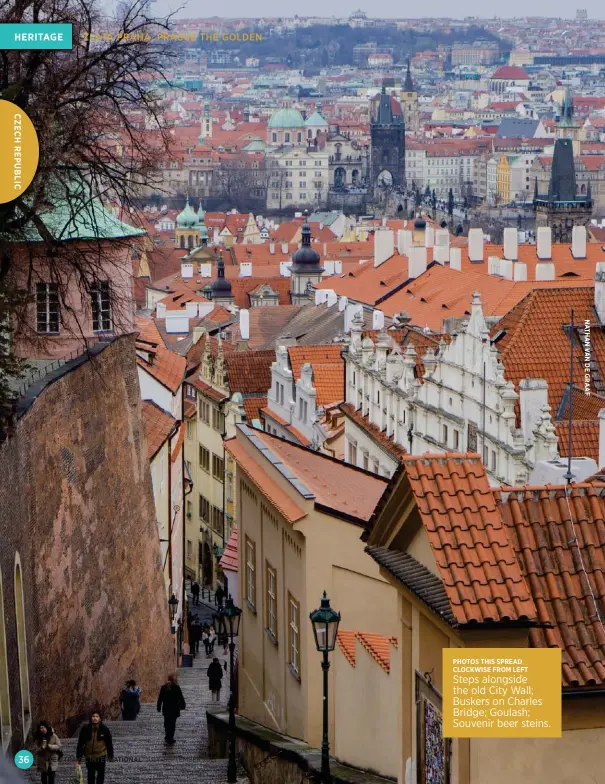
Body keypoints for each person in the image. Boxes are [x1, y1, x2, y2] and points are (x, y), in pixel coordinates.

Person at [76, 711, 114, 784]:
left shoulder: (104, 729)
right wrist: (78, 756)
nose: (95, 718)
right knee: (90, 774)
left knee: (100, 774)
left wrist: (110, 755)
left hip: (100, 755)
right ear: (91, 718)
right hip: (89, 756)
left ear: (100, 718)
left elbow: (109, 743)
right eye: (93, 716)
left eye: (97, 716)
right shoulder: (86, 728)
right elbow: (80, 743)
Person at [157, 674, 186, 745]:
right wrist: (183, 705)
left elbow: (160, 698)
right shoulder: (176, 687)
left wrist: (158, 707)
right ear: (173, 680)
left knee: (167, 723)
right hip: (174, 709)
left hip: (166, 708)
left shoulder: (163, 687)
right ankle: (170, 738)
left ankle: (167, 736)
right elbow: (181, 697)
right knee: (172, 724)